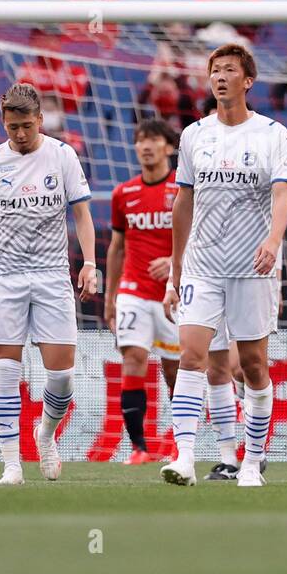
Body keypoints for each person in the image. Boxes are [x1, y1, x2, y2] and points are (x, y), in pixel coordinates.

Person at [160, 43, 287, 488]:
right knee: (192, 356)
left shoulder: (272, 134)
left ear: (248, 81)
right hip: (203, 265)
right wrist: (177, 269)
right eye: (214, 71)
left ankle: (253, 461)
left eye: (229, 71)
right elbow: (183, 201)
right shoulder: (194, 134)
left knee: (254, 365)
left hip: (251, 268)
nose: (220, 77)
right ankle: (184, 456)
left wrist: (274, 240)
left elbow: (281, 194)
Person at [0, 84, 99, 486]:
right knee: (4, 372)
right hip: (4, 278)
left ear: (40, 120)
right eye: (11, 126)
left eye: (26, 126)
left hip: (53, 276)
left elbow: (83, 215)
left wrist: (89, 263)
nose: (19, 134)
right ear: (3, 123)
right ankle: (11, 465)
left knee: (62, 379)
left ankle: (45, 434)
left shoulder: (62, 155)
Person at [104, 118, 182, 464]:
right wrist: (110, 299)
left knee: (175, 370)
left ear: (169, 147)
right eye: (140, 140)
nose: (146, 146)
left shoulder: (183, 190)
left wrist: (173, 261)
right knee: (134, 359)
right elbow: (117, 247)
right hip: (133, 290)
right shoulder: (124, 193)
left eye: (153, 139)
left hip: (174, 292)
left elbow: (199, 237)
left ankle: (183, 444)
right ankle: (139, 448)